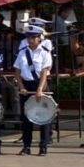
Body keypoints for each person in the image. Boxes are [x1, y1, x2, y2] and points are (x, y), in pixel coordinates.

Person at [14, 24, 52, 156]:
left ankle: (43, 146)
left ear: (39, 38)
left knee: (44, 118)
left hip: (41, 85)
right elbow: (17, 72)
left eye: (33, 37)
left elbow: (44, 73)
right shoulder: (22, 52)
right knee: (26, 118)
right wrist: (21, 87)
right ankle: (26, 146)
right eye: (28, 37)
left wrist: (40, 89)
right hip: (26, 85)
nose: (30, 40)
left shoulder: (45, 53)